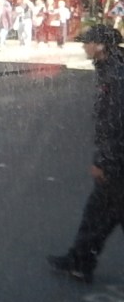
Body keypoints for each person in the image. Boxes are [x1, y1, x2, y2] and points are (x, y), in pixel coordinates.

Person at [48, 24, 124, 283]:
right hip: (117, 162)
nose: (83, 46)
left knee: (100, 213)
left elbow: (116, 122)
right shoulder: (111, 68)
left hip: (117, 164)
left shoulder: (116, 74)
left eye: (88, 42)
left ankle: (80, 262)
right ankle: (80, 261)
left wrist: (104, 161)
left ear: (101, 46)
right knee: (99, 214)